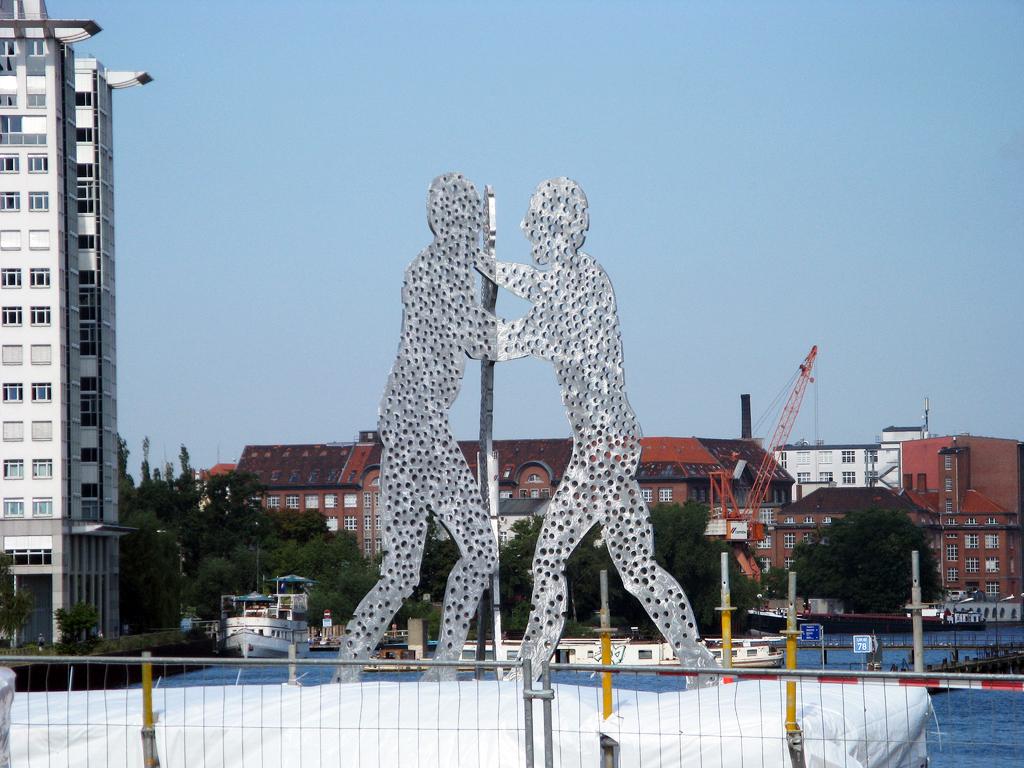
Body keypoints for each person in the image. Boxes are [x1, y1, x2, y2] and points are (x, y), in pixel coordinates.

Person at [477, 177, 717, 681]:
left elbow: (508, 338)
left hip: (602, 448)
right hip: (609, 443)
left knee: (549, 559)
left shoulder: (578, 290)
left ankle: (528, 669)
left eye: (537, 224)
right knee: (636, 567)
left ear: (561, 228)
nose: (528, 230)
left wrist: (462, 324)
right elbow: (535, 284)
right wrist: (490, 267)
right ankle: (699, 661)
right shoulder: (584, 278)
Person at [337, 173, 498, 683]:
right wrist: (529, 324)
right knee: (470, 550)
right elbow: (480, 339)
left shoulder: (439, 269)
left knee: (414, 568)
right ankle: (439, 666)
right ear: (446, 221)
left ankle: (362, 664)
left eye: (471, 220)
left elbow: (476, 334)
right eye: (463, 219)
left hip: (411, 423)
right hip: (417, 425)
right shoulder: (437, 271)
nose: (468, 229)